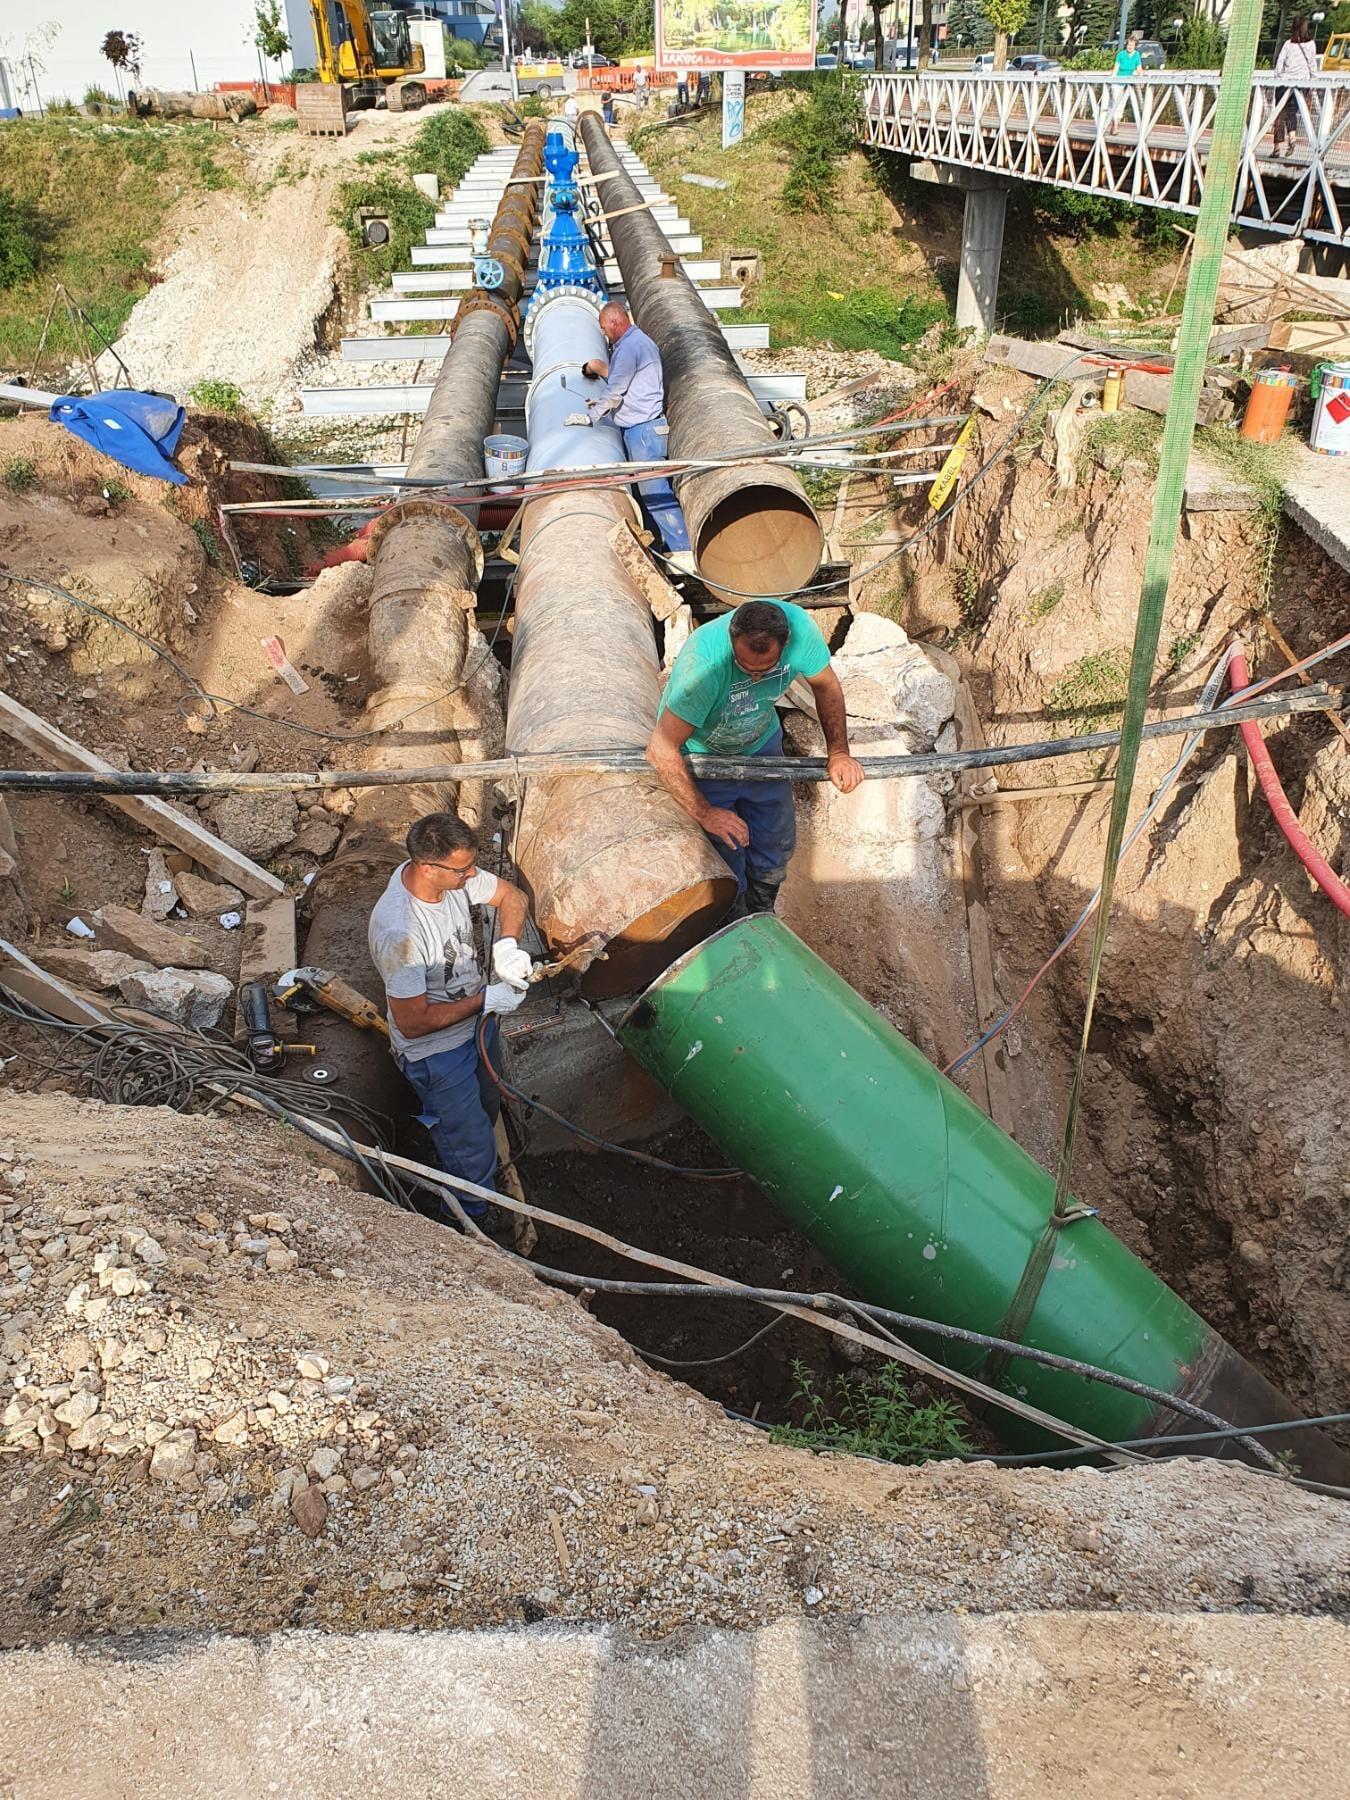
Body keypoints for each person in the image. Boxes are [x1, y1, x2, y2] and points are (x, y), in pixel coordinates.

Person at [368, 811, 533, 1236]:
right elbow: (413, 1022)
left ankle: (471, 1176)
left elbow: (512, 897)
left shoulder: (453, 877)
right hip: (436, 1053)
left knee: (489, 1106)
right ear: (428, 868)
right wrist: (486, 999)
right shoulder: (400, 933)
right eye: (463, 870)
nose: (471, 876)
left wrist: (508, 946)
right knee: (470, 1147)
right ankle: (470, 1224)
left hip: (476, 1026)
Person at [646, 600, 865, 915]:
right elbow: (660, 749)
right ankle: (733, 912)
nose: (754, 679)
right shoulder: (704, 666)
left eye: (764, 670)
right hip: (705, 758)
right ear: (732, 640)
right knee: (726, 847)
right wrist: (706, 813)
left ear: (785, 646)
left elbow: (827, 687)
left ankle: (762, 906)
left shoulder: (800, 631)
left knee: (776, 839)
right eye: (745, 668)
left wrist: (839, 752)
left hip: (760, 744)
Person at [581, 302, 688, 551]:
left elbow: (617, 389)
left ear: (614, 322)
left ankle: (684, 552)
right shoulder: (638, 342)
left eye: (604, 328)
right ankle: (658, 548)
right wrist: (601, 399)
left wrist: (591, 416)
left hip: (643, 432)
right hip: (643, 429)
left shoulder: (629, 347)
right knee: (644, 495)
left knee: (655, 495)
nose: (604, 334)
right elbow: (629, 385)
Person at [1273, 16, 1318, 158]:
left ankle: (1276, 148)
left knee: (1279, 114)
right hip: (1301, 85)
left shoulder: (1288, 44)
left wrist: (1278, 77)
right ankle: (1292, 139)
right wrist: (1313, 83)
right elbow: (1312, 66)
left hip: (1284, 83)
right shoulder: (1311, 45)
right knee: (1292, 112)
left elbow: (1279, 65)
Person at [1109, 31, 1142, 125]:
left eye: (1132, 45)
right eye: (1128, 45)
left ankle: (1115, 123)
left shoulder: (1136, 55)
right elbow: (1116, 68)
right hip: (1118, 81)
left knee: (1122, 104)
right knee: (1116, 102)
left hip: (1127, 83)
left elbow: (1139, 68)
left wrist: (1141, 79)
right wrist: (1112, 80)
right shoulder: (1121, 54)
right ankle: (1114, 125)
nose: (1130, 47)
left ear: (1135, 46)